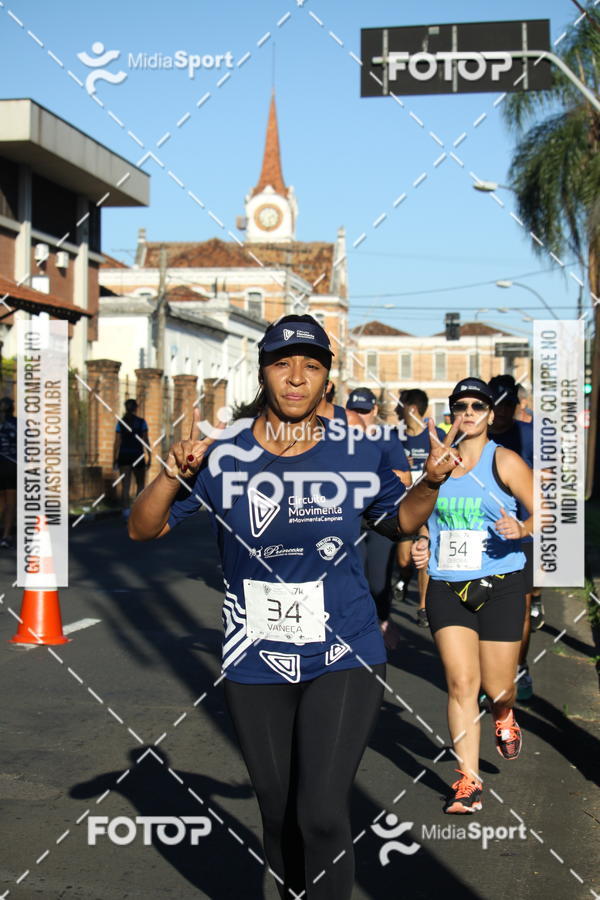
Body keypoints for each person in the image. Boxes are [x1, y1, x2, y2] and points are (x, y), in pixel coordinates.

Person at [128, 314, 460, 899]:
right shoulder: (222, 452)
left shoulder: (359, 451)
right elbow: (142, 529)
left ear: (326, 380)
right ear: (264, 374)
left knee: (324, 814)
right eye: (283, 364)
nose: (297, 378)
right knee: (280, 818)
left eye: (311, 366)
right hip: (255, 660)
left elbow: (397, 520)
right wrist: (170, 473)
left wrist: (429, 482)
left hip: (345, 652)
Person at [411, 376, 533, 815]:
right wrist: (423, 539)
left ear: (490, 415)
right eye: (460, 406)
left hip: (500, 584)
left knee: (497, 687)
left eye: (477, 406)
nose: (468, 413)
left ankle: (504, 713)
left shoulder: (505, 462)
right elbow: (421, 513)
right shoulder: (438, 462)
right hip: (447, 583)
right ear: (451, 414)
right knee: (462, 683)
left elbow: (545, 509)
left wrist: (523, 528)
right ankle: (468, 780)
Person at [345, 387, 411, 650]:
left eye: (364, 411)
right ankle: (357, 634)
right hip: (350, 517)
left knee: (378, 581)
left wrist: (370, 473)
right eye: (354, 411)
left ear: (374, 411)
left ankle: (384, 619)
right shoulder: (337, 438)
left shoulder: (386, 438)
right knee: (352, 574)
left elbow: (405, 478)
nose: (360, 416)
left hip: (380, 519)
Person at [488, 376, 536, 700]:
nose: (503, 411)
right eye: (498, 405)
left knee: (521, 607)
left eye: (509, 405)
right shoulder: (479, 435)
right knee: (486, 607)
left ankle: (519, 666)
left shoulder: (531, 436)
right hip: (485, 533)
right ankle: (491, 675)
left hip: (525, 532)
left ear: (516, 405)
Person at [395, 389, 446, 627]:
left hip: (429, 506)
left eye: (399, 406)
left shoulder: (436, 436)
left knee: (424, 549)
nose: (396, 410)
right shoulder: (395, 438)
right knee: (405, 561)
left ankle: (423, 607)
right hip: (404, 507)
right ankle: (403, 580)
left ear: (411, 409)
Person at [113, 399, 151, 518]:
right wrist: (149, 455)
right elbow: (145, 440)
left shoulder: (120, 423)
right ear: (136, 408)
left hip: (124, 456)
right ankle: (138, 511)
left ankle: (125, 511)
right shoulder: (141, 422)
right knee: (140, 484)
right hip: (137, 455)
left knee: (126, 485)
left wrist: (114, 459)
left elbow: (117, 442)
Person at [0, 397, 17, 548]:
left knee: (2, 503)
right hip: (12, 466)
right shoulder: (19, 425)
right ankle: (6, 536)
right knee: (10, 503)